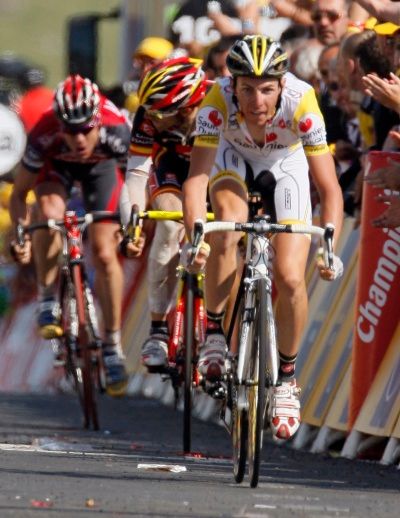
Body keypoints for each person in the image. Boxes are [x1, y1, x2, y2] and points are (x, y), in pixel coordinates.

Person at [182, 35, 344, 440]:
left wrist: (330, 247)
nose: (257, 100)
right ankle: (216, 335)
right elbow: (196, 180)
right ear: (232, 84)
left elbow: (329, 190)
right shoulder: (215, 103)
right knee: (227, 228)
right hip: (231, 161)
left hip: (285, 166)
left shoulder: (302, 104)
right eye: (248, 89)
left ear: (282, 86)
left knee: (290, 276)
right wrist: (194, 238)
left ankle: (287, 379)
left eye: (267, 89)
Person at [9, 74, 131, 397]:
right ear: (58, 124)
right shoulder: (44, 132)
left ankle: (112, 345)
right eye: (70, 130)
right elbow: (20, 194)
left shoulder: (116, 125)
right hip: (56, 169)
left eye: (85, 130)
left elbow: (137, 183)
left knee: (106, 251)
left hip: (102, 171)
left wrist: (135, 229)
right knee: (48, 215)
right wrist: (20, 236)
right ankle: (48, 297)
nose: (78, 139)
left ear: (97, 120)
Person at [119, 57, 209, 370]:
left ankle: (218, 333)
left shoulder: (219, 106)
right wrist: (131, 226)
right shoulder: (147, 116)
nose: (150, 118)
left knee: (230, 236)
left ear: (186, 109)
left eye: (159, 113)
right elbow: (135, 175)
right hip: (171, 168)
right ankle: (157, 330)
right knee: (170, 228)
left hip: (216, 170)